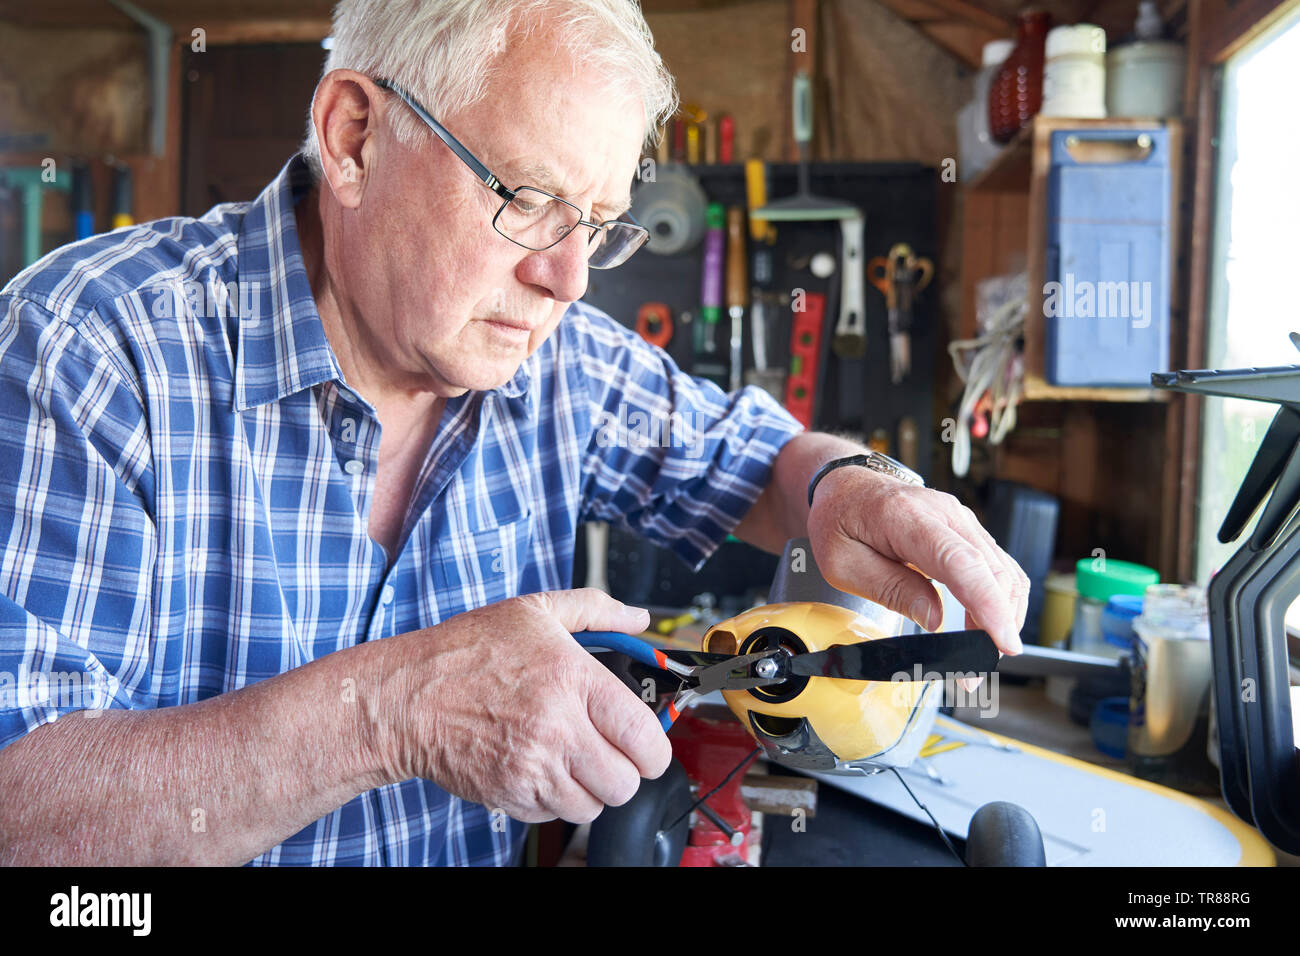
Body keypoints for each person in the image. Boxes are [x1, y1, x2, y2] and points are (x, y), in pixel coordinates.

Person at [0, 0, 1027, 866]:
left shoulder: (553, 358)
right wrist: (394, 708)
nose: (569, 278)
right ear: (354, 136)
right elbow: (18, 806)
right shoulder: (92, 350)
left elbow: (759, 464)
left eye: (599, 221)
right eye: (530, 200)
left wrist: (850, 486)